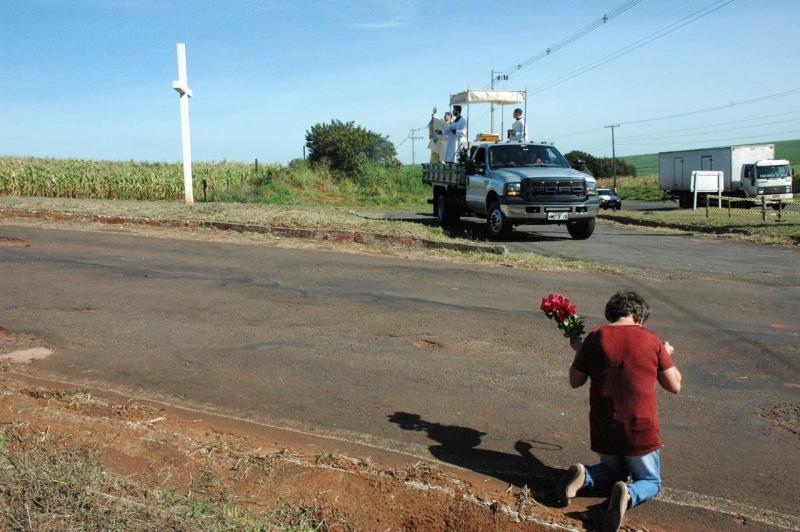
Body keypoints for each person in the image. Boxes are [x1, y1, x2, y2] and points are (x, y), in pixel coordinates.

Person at [556, 291, 682, 532]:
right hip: (639, 427)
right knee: (651, 481)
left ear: (610, 313)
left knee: (613, 471)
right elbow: (674, 385)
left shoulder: (595, 338)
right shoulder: (651, 340)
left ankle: (585, 475)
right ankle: (629, 494)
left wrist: (580, 351)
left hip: (604, 425)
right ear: (640, 317)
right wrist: (667, 354)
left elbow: (575, 380)